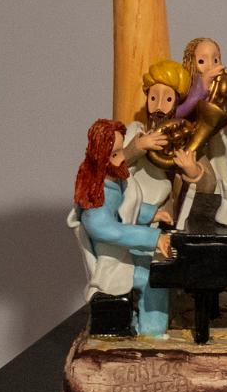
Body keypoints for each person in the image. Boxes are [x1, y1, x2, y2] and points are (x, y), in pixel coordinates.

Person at [68, 119, 196, 338]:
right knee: (153, 279)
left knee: (154, 265)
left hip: (123, 250)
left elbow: (128, 205)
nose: (123, 158)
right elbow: (107, 229)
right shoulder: (95, 195)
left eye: (121, 151)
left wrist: (152, 214)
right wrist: (154, 237)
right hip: (111, 260)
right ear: (101, 157)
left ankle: (144, 323)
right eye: (116, 154)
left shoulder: (112, 180)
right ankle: (152, 333)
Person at [176, 37, 227, 224]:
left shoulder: (223, 90)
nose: (211, 66)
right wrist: (200, 91)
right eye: (202, 61)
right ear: (191, 64)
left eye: (216, 59)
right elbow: (174, 115)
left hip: (219, 154)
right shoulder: (185, 90)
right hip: (192, 152)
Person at [120, 59, 196, 226]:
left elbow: (207, 183)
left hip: (167, 211)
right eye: (153, 98)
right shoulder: (136, 130)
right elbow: (114, 164)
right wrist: (138, 146)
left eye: (168, 99)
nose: (159, 106)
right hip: (135, 204)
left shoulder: (183, 138)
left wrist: (193, 172)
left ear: (177, 103)